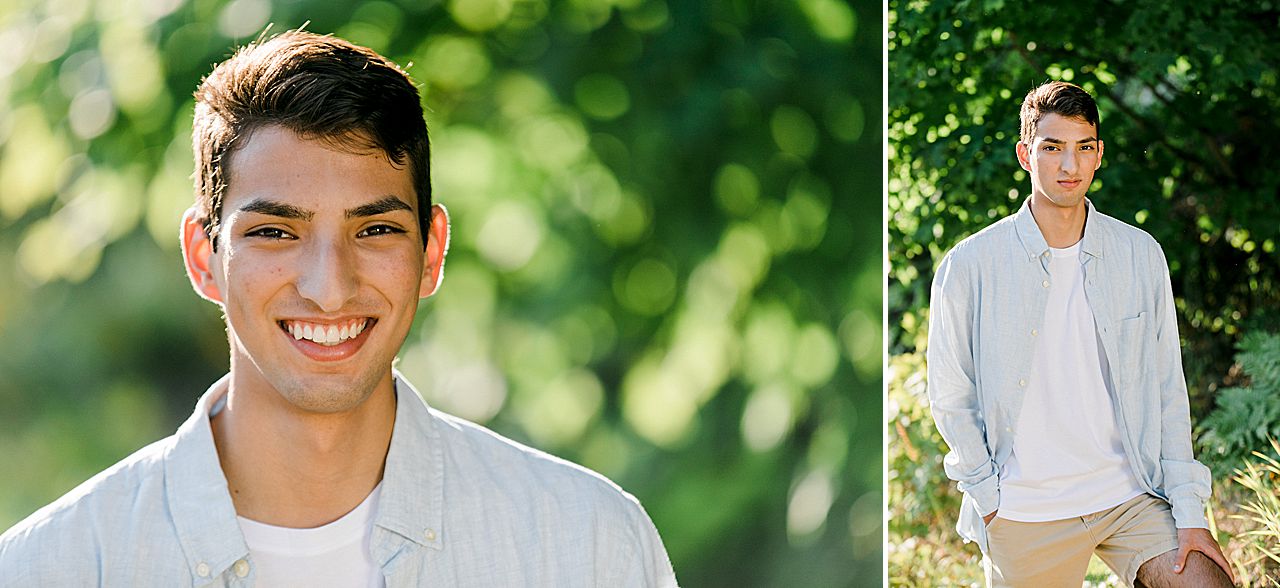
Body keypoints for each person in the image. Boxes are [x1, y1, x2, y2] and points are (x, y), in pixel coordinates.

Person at [0, 31, 677, 587]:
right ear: (203, 257)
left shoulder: (587, 549)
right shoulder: (48, 569)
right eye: (275, 232)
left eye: (375, 229)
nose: (329, 288)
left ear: (431, 251)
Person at [925, 81, 1235, 587]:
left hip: (1131, 493)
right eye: (1052, 148)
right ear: (1026, 155)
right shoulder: (970, 266)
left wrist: (1189, 512)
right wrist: (988, 499)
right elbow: (951, 397)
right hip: (1025, 510)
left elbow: (1166, 393)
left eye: (1082, 148)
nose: (1069, 166)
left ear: (1098, 155)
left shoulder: (1139, 254)